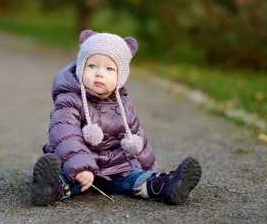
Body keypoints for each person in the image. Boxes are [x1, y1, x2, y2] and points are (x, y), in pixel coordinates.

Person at [30, 29, 202, 206]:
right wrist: (81, 167)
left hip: (115, 169)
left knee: (137, 177)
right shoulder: (70, 99)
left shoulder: (124, 103)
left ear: (121, 76)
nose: (99, 73)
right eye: (92, 66)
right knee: (65, 178)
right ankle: (48, 189)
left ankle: (165, 185)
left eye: (109, 68)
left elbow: (137, 137)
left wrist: (150, 169)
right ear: (81, 67)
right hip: (76, 166)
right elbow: (65, 135)